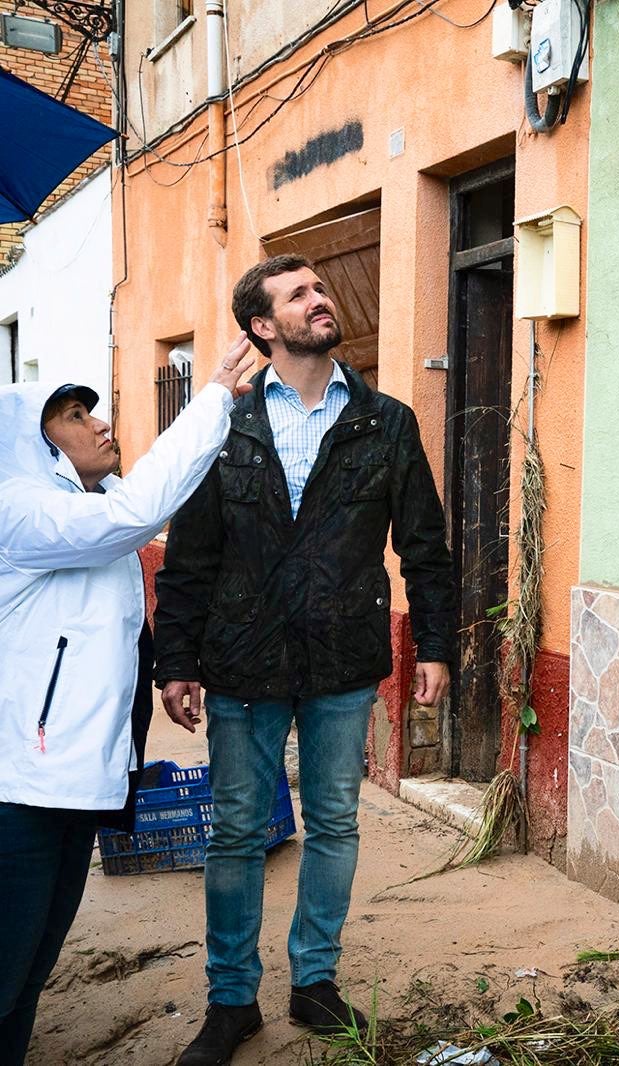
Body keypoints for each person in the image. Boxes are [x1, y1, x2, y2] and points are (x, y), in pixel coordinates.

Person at [156, 255, 455, 1065]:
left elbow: (425, 545)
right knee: (237, 833)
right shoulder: (228, 423)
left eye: (321, 288)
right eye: (299, 294)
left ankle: (315, 980)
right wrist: (174, 659)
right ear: (262, 326)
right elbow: (190, 555)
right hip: (242, 662)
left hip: (340, 661)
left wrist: (434, 643)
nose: (321, 300)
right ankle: (230, 1001)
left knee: (333, 823)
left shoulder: (385, 420)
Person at [0, 337, 256, 1066]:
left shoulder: (92, 503)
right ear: (30, 444)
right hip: (18, 792)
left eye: (94, 409)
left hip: (72, 785)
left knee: (29, 976)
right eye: (76, 415)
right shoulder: (21, 512)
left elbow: (136, 509)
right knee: (6, 970)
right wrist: (212, 400)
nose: (101, 424)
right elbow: (142, 510)